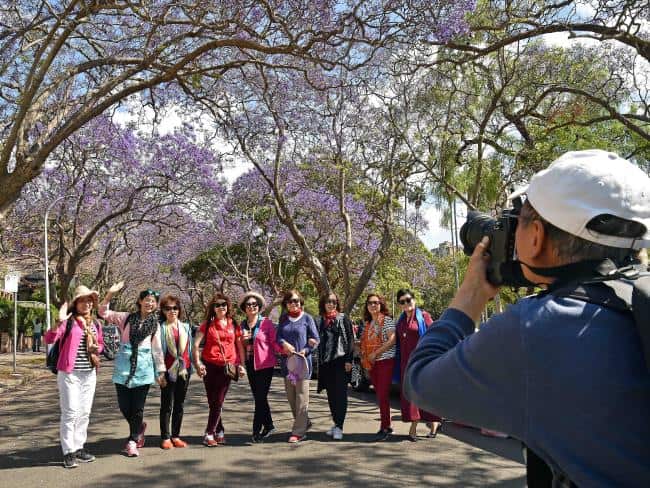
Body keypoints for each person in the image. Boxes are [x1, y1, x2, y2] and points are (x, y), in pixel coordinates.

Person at [404, 149, 650, 487]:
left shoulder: (539, 326)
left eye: (516, 221)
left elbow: (421, 383)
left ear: (535, 237)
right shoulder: (632, 301)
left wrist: (470, 296)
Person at [99, 282, 166, 458]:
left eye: (153, 301)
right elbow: (103, 313)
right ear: (140, 301)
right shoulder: (127, 318)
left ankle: (132, 440)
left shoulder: (155, 325)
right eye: (146, 300)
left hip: (143, 369)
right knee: (123, 406)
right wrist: (110, 294)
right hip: (123, 368)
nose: (149, 303)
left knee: (137, 408)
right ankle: (139, 427)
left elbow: (157, 349)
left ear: (156, 305)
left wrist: (161, 371)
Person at [44, 285, 104, 469]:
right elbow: (49, 339)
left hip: (89, 373)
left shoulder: (95, 324)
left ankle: (79, 447)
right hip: (69, 373)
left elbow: (100, 345)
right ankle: (68, 451)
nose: (86, 304)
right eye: (82, 300)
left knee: (84, 412)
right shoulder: (68, 322)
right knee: (70, 412)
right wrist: (58, 322)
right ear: (76, 303)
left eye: (89, 301)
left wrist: (96, 349)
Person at [193, 292, 246, 447]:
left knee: (218, 400)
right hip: (209, 366)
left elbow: (239, 346)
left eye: (224, 304)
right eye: (218, 305)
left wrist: (242, 365)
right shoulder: (207, 325)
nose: (221, 307)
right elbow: (195, 345)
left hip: (227, 367)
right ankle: (220, 430)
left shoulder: (234, 324)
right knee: (212, 401)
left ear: (228, 306)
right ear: (213, 308)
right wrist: (198, 364)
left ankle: (209, 433)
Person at [394, 289, 441, 441]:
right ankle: (415, 423)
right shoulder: (400, 320)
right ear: (399, 304)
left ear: (414, 299)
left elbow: (435, 335)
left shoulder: (424, 317)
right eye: (402, 301)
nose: (406, 303)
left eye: (408, 300)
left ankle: (431, 425)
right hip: (406, 364)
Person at [276, 289, 319, 443]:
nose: (294, 304)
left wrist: (305, 350)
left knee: (301, 397)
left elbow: (315, 339)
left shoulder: (307, 318)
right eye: (290, 301)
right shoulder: (283, 319)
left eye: (296, 301)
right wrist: (284, 344)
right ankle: (304, 422)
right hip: (287, 365)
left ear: (301, 302)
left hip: (302, 364)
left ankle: (299, 432)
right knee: (291, 397)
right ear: (286, 304)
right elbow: (278, 337)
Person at [238, 291, 279, 443]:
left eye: (255, 304)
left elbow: (274, 342)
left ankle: (255, 432)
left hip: (265, 365)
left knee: (260, 398)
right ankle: (269, 425)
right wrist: (241, 365)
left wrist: (285, 349)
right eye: (248, 304)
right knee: (259, 397)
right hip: (250, 364)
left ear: (259, 307)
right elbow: (240, 348)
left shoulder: (266, 323)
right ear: (244, 308)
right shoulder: (241, 325)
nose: (252, 307)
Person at [316, 292, 354, 441]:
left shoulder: (343, 318)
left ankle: (339, 426)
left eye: (334, 302)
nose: (331, 304)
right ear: (323, 304)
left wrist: (349, 360)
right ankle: (336, 424)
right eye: (328, 302)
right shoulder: (320, 320)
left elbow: (350, 339)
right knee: (331, 396)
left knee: (340, 396)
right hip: (326, 364)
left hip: (340, 362)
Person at [359, 293, 396, 441]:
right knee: (380, 395)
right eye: (370, 303)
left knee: (382, 396)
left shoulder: (386, 320)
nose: (373, 305)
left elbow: (393, 340)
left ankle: (385, 427)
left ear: (381, 305)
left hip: (385, 361)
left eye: (376, 302)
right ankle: (387, 425)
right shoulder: (368, 324)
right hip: (372, 363)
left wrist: (376, 353)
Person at [158, 294, 193, 449]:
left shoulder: (185, 327)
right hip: (167, 371)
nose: (172, 311)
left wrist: (194, 366)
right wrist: (159, 373)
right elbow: (157, 352)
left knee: (179, 404)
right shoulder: (160, 328)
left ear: (179, 310)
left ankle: (176, 435)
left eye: (175, 308)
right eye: (168, 308)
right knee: (166, 405)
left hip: (183, 370)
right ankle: (165, 437)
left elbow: (189, 349)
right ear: (163, 311)